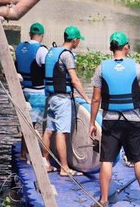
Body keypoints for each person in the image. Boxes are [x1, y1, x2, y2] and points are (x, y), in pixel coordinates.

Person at [88, 31, 140, 207]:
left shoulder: (101, 68)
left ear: (111, 48)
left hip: (111, 121)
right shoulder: (137, 68)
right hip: (134, 120)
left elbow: (95, 99)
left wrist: (91, 123)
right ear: (126, 47)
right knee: (139, 159)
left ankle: (103, 201)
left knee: (107, 159)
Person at [42, 26, 90, 176]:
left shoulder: (52, 51)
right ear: (74, 40)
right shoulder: (67, 55)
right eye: (78, 40)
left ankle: (46, 162)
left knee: (49, 131)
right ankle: (64, 168)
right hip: (62, 99)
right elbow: (74, 80)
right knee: (62, 132)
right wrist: (86, 97)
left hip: (50, 97)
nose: (78, 43)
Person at [16, 22, 48, 161]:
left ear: (30, 34)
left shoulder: (19, 47)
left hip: (23, 90)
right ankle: (43, 156)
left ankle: (23, 152)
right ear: (42, 36)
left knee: (27, 124)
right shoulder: (42, 50)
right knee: (46, 126)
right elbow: (48, 69)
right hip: (38, 92)